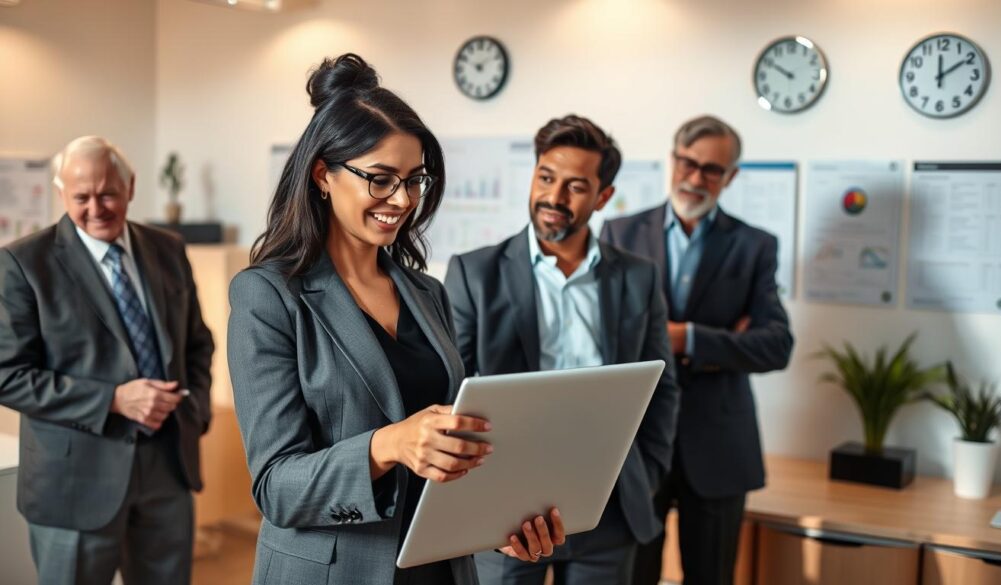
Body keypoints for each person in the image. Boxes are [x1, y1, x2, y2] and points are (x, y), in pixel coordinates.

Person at [227, 54, 564, 585]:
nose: (403, 200)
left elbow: (446, 451)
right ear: (323, 174)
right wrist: (389, 444)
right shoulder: (268, 296)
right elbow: (276, 487)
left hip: (440, 569)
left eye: (414, 180)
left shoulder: (428, 294)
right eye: (381, 179)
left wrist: (497, 519)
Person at [444, 115, 679, 585]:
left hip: (608, 510)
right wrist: (478, 501)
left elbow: (662, 388)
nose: (554, 197)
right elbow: (451, 396)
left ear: (603, 197)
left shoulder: (638, 277)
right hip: (505, 513)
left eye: (575, 186)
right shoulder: (475, 275)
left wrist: (647, 473)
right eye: (546, 178)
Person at [0, 136, 214, 585]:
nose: (96, 208)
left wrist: (194, 411)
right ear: (61, 194)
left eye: (108, 194)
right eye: (82, 197)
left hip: (167, 468)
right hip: (73, 481)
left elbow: (198, 341)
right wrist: (113, 400)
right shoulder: (22, 264)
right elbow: (8, 375)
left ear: (130, 187)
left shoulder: (168, 248)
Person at [600, 115, 794, 585]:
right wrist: (729, 339)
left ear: (731, 177)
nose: (695, 177)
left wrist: (687, 336)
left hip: (719, 445)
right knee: (632, 576)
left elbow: (776, 346)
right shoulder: (620, 234)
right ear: (673, 159)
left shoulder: (754, 246)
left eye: (711, 169)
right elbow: (603, 336)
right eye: (687, 162)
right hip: (638, 438)